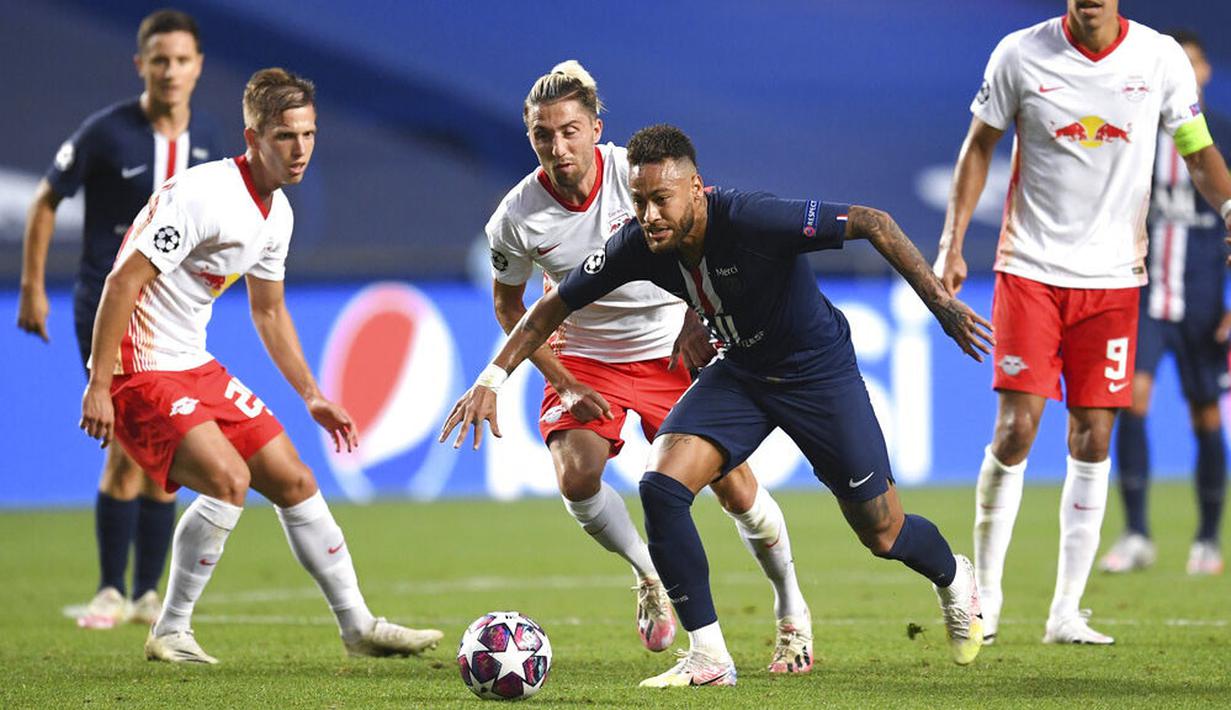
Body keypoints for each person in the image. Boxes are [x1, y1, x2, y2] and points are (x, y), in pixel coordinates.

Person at [444, 124, 993, 687]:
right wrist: (492, 377)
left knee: (883, 534)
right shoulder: (638, 243)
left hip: (817, 374)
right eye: (638, 200)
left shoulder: (754, 219)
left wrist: (942, 305)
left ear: (696, 189)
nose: (649, 214)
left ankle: (955, 580)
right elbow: (548, 309)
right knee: (661, 487)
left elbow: (873, 222)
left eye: (661, 199)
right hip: (743, 374)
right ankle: (708, 656)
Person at [78, 68, 443, 664]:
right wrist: (97, 382)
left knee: (294, 479)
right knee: (230, 481)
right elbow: (122, 282)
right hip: (137, 367)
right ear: (252, 137)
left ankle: (358, 627)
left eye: (308, 134)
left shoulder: (277, 216)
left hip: (191, 362)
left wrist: (312, 394)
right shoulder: (203, 195)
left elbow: (268, 311)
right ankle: (170, 629)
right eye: (284, 137)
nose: (299, 149)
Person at [485, 60, 813, 672]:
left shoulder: (635, 175)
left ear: (595, 127)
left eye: (570, 130)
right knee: (576, 475)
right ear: (530, 136)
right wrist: (563, 379)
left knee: (736, 490)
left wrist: (697, 318)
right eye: (543, 135)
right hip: (586, 356)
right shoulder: (515, 216)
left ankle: (792, 610)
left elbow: (703, 226)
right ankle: (649, 575)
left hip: (668, 345)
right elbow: (510, 303)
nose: (559, 147)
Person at [933, 0, 1231, 645]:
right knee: (1016, 430)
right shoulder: (1020, 53)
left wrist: (1230, 207)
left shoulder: (1158, 58)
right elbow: (978, 145)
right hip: (1030, 269)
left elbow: (1197, 150)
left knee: (1094, 437)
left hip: (1116, 279)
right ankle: (985, 594)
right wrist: (952, 242)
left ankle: (1065, 612)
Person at [16, 9, 226, 629]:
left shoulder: (212, 141)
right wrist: (32, 286)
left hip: (176, 318)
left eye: (182, 60)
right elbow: (45, 199)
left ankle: (145, 594)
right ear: (141, 65)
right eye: (159, 59)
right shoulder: (107, 133)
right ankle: (112, 589)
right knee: (129, 445)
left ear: (198, 68)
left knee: (166, 452)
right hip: (107, 309)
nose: (170, 71)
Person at [1100, 30, 1229, 577]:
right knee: (1131, 400)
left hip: (1203, 300)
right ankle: (1137, 534)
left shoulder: (1219, 141)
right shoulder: (1137, 139)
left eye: (1192, 62)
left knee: (1205, 414)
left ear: (1204, 73)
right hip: (1146, 296)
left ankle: (1206, 539)